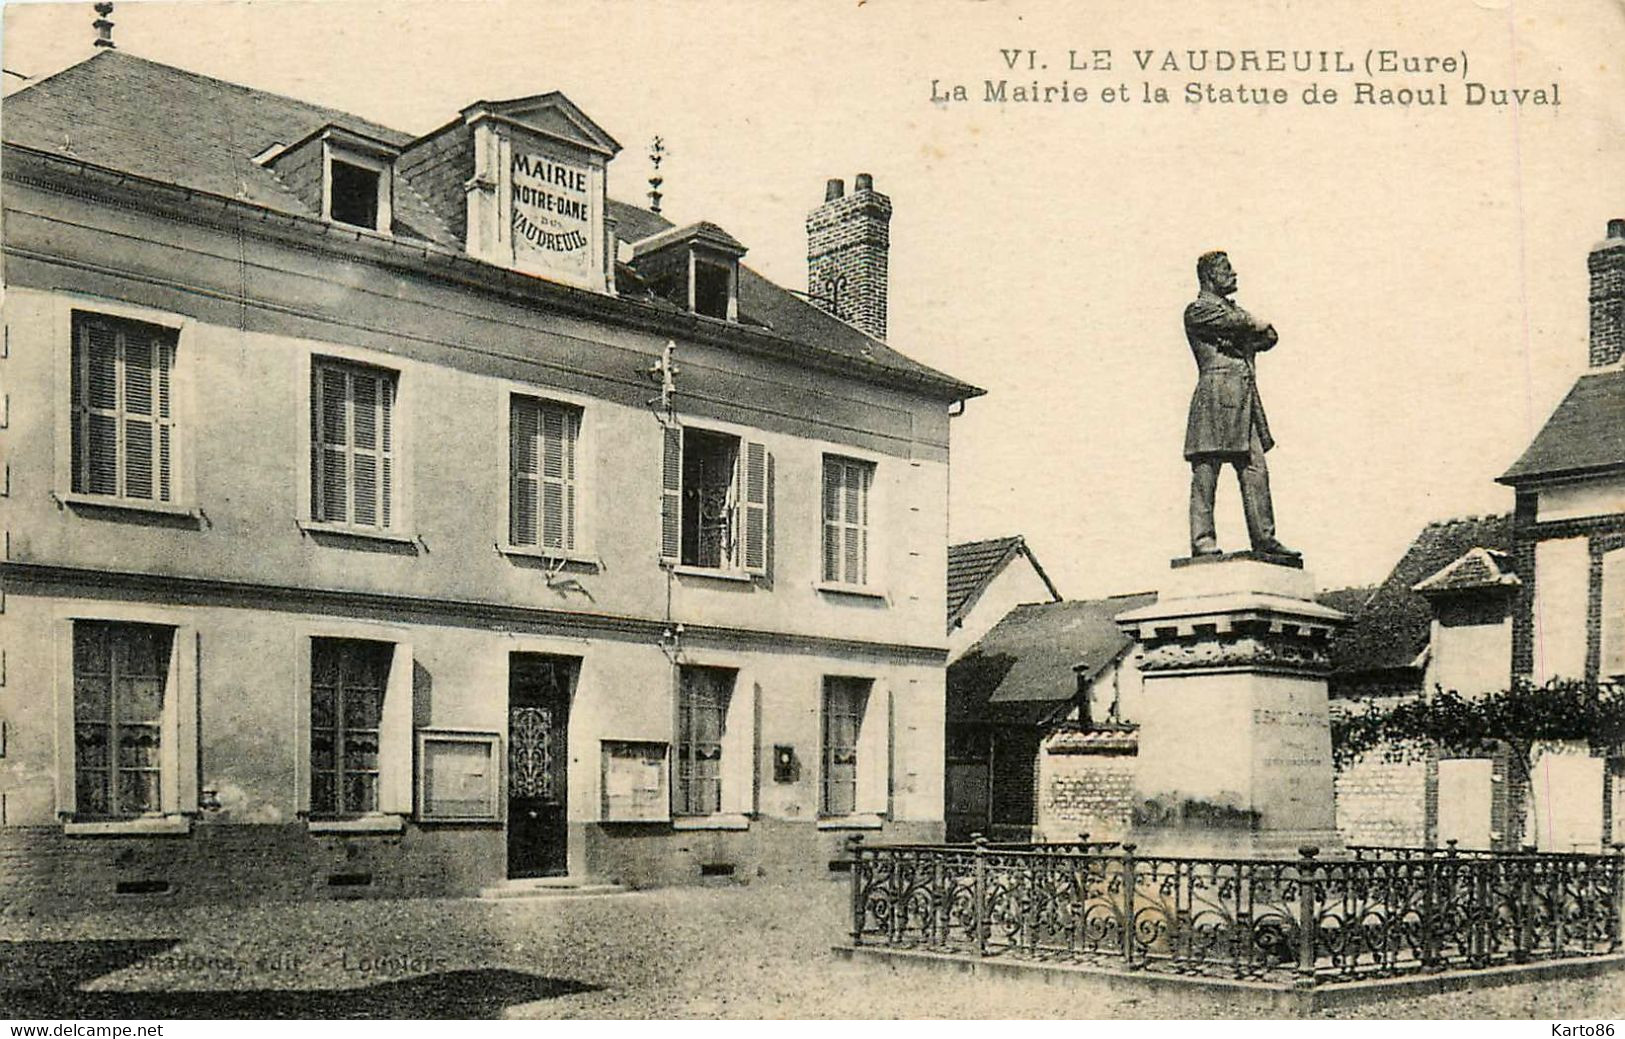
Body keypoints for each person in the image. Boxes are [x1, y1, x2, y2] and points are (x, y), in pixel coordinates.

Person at [1183, 250, 1299, 559]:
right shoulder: (1198, 310)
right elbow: (1244, 324)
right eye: (1227, 269)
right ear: (1210, 276)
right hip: (1215, 399)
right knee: (1207, 471)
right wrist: (1252, 324)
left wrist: (1252, 327)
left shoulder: (1231, 313)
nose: (1234, 274)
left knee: (1255, 470)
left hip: (1246, 401)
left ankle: (1265, 538)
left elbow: (1269, 336)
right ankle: (1202, 539)